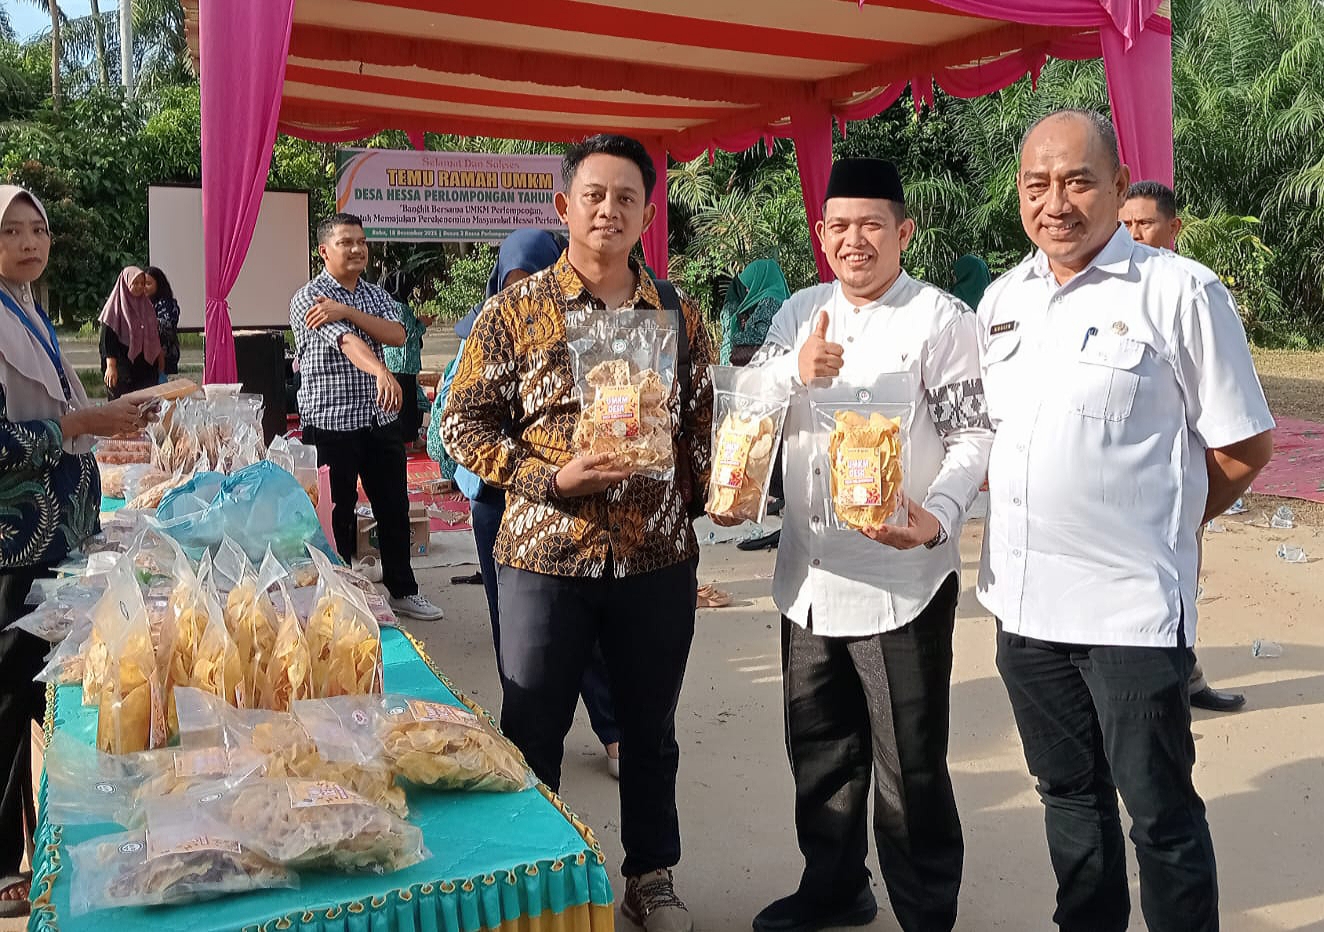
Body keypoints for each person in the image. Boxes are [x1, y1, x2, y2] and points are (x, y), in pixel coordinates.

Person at [978, 110, 1274, 932]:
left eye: (1078, 181)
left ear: (1116, 185)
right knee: (1068, 798)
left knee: (1160, 815)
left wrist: (1167, 530)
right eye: (1038, 185)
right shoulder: (1001, 301)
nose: (1056, 203)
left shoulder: (1179, 292)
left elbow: (1245, 446)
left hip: (1130, 614)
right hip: (1024, 609)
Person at [441, 134, 713, 932]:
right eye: (594, 196)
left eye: (626, 198)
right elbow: (462, 424)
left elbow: (702, 416)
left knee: (649, 730)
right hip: (545, 556)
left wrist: (707, 492)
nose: (608, 211)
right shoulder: (515, 312)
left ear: (647, 215)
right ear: (564, 207)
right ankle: (535, 886)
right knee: (532, 727)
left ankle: (650, 877)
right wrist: (548, 479)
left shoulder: (675, 313)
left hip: (654, 559)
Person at [740, 158, 992, 932]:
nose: (856, 241)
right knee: (819, 750)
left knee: (909, 765)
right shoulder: (798, 313)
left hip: (900, 580)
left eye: (872, 225)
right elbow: (745, 406)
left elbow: (973, 434)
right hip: (808, 578)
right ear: (821, 235)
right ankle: (835, 889)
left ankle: (926, 912)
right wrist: (792, 371)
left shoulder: (940, 319)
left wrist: (938, 515)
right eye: (841, 226)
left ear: (903, 232)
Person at [0, 185, 157, 918]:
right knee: (7, 699)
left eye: (37, 229)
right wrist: (79, 423)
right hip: (11, 545)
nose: (28, 243)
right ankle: (3, 859)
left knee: (51, 694)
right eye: (10, 231)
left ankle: (56, 828)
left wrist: (97, 421)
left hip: (55, 534)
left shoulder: (25, 309)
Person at [430, 228, 623, 777]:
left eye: (535, 276)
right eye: (514, 279)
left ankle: (613, 730)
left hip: (573, 506)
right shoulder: (486, 327)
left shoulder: (587, 330)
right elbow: (456, 419)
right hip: (500, 502)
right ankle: (524, 736)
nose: (525, 288)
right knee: (515, 630)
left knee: (586, 631)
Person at [1120, 180, 1246, 713]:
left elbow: (1236, 429)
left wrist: (1197, 503)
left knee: (1175, 576)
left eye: (1144, 224)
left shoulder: (1192, 292)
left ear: (1173, 228)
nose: (1133, 234)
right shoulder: (1098, 289)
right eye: (1125, 224)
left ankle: (1184, 673)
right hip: (1113, 486)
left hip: (1172, 478)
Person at [289, 212, 444, 622]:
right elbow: (346, 341)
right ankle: (339, 596)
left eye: (361, 241)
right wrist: (380, 370)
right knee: (336, 513)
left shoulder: (372, 294)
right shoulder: (309, 298)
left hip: (377, 418)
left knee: (393, 506)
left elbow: (397, 333)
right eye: (346, 242)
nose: (357, 249)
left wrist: (347, 309)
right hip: (330, 421)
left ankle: (403, 590)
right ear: (324, 251)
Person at [381, 271, 433, 450]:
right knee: (406, 405)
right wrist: (423, 324)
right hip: (404, 363)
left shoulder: (386, 306)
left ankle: (408, 438)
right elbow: (408, 334)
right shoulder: (401, 308)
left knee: (399, 403)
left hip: (392, 361)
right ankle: (407, 440)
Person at [99, 265, 164, 399]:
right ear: (126, 283)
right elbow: (107, 340)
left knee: (147, 406)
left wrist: (161, 368)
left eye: (142, 283)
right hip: (123, 370)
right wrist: (111, 366)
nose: (139, 287)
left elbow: (155, 337)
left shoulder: (147, 307)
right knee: (123, 407)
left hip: (146, 369)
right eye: (135, 283)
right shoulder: (114, 309)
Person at [720, 258, 791, 366]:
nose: (747, 290)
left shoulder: (769, 301)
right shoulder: (782, 299)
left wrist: (734, 337)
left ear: (759, 279)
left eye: (750, 284)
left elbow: (759, 337)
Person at [146, 265, 181, 377]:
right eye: (142, 283)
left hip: (166, 356)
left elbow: (163, 327)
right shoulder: (145, 303)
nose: (144, 287)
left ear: (159, 284)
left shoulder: (167, 303)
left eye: (148, 284)